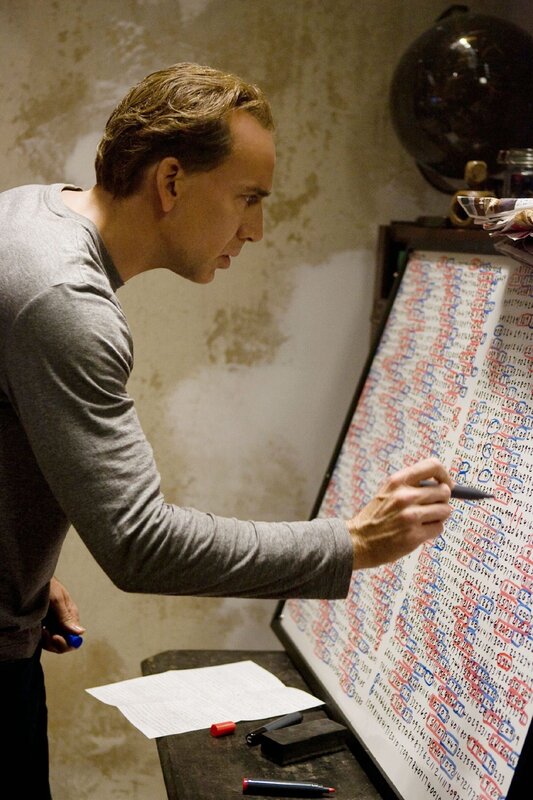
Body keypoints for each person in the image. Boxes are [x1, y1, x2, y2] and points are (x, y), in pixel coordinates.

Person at [0, 62, 453, 796]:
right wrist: (354, 543)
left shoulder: (26, 214)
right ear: (171, 181)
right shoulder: (64, 301)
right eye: (248, 198)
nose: (257, 229)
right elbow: (140, 546)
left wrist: (15, 569)